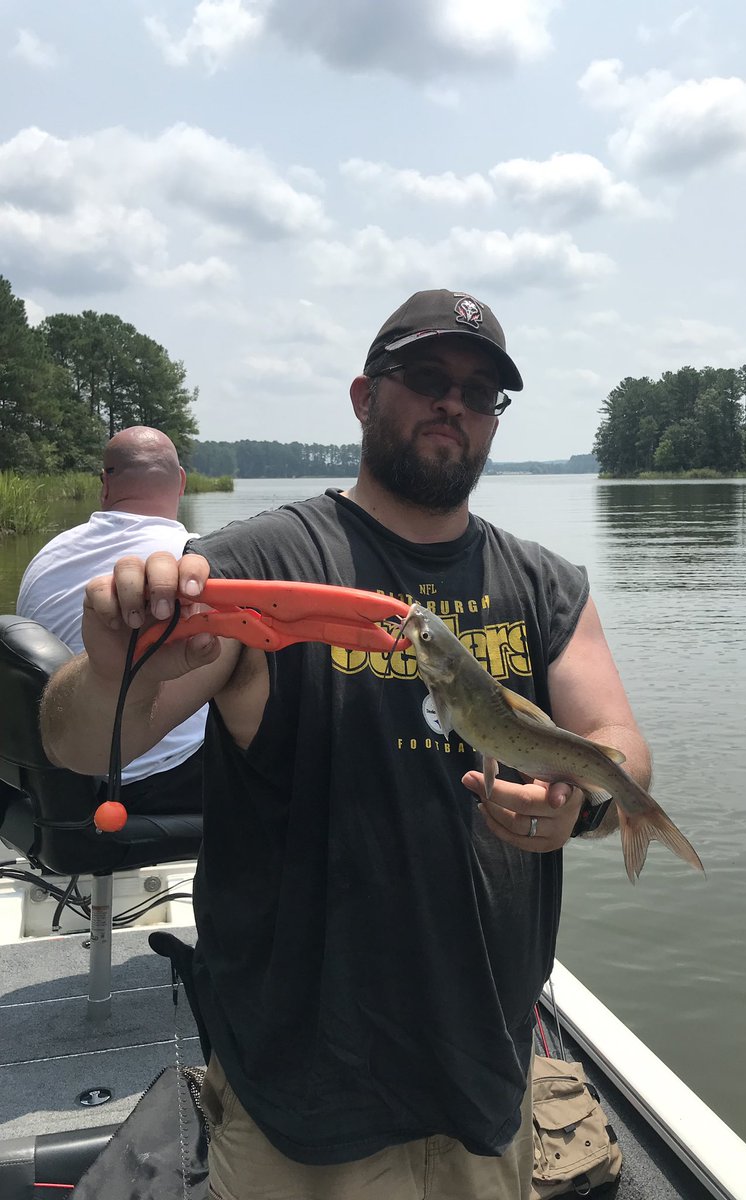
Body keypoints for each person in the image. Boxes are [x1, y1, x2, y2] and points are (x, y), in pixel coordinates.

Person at [40, 290, 651, 1200]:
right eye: (428, 377)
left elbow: (617, 747)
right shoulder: (262, 565)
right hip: (301, 1096)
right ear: (366, 396)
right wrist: (107, 669)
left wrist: (584, 806)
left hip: (487, 1075)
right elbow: (84, 742)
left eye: (481, 392)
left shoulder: (544, 580)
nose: (456, 403)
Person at [18, 426, 206, 815]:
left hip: (55, 787)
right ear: (182, 483)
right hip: (161, 785)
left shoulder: (46, 559)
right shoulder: (200, 564)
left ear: (105, 485)